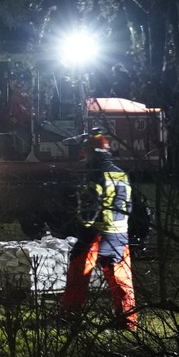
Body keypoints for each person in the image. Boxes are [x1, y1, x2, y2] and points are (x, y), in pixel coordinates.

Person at [59, 132, 137, 330]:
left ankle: (69, 315)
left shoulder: (95, 175)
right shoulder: (121, 174)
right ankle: (127, 321)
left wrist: (81, 227)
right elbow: (128, 205)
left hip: (95, 235)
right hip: (119, 235)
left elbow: (90, 209)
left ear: (92, 154)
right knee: (121, 281)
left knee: (79, 274)